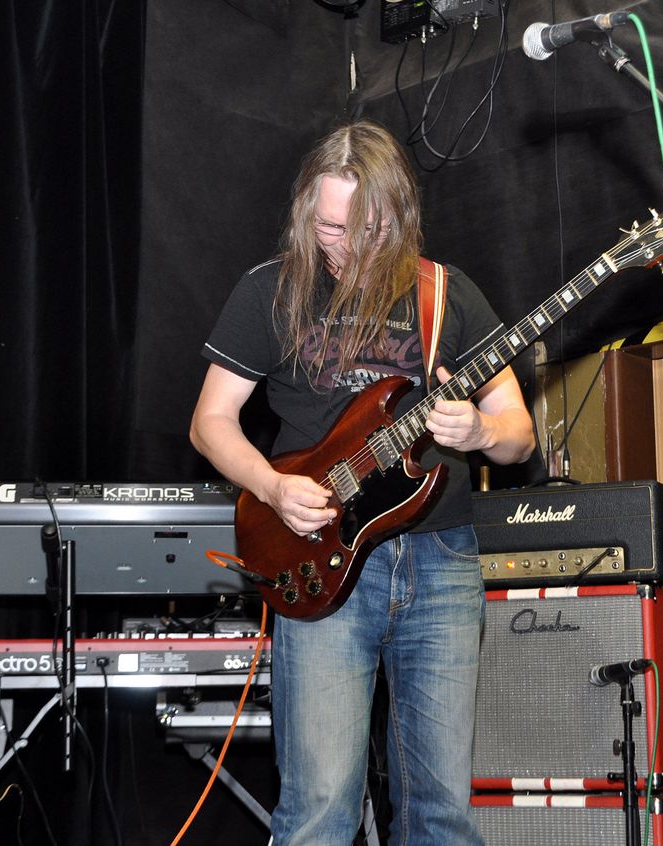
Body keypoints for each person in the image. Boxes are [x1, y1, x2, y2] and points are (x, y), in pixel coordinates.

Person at [189, 119, 535, 845]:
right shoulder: (272, 290)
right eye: (329, 227)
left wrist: (481, 431)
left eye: (366, 230)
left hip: (440, 560)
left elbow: (518, 433)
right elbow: (211, 422)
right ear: (305, 212)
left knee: (442, 813)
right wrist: (272, 487)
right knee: (320, 809)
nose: (344, 246)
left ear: (398, 216)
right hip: (318, 555)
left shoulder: (445, 292)